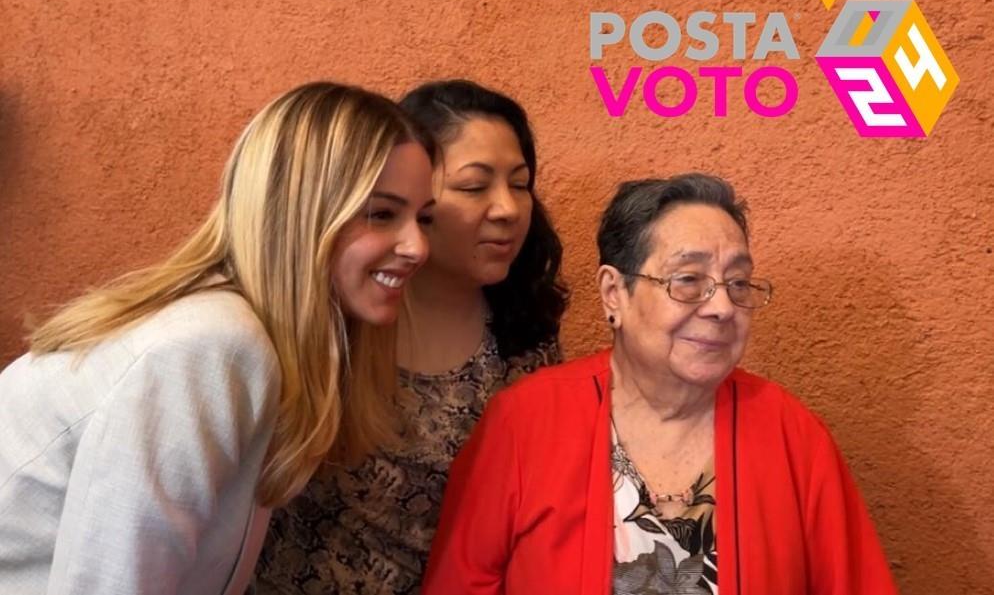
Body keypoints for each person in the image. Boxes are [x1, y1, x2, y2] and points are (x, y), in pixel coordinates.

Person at [0, 82, 437, 595]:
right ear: (300, 212)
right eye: (381, 214)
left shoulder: (253, 338)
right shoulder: (214, 346)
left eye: (423, 217)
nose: (418, 246)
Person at [422, 173, 898, 595]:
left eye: (737, 283)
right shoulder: (524, 423)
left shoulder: (792, 435)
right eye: (688, 280)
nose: (722, 307)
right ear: (615, 293)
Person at [255, 80, 568, 594]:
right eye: (474, 186)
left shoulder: (527, 339)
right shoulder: (331, 321)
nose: (508, 209)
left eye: (520, 183)